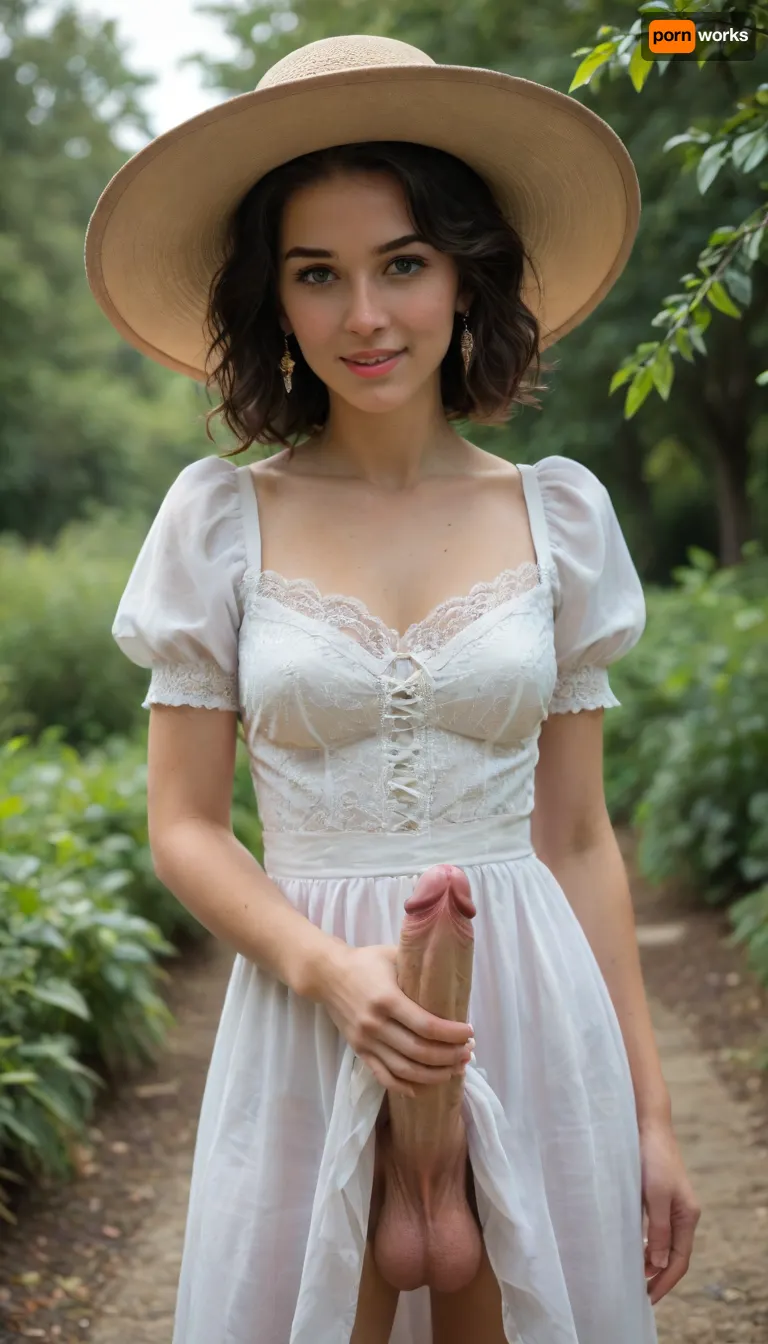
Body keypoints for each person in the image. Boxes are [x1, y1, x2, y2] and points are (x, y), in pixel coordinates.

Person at [86, 33, 701, 1344]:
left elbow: (579, 835)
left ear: (467, 276)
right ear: (279, 302)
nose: (365, 317)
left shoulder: (559, 520)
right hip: (311, 1016)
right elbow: (185, 825)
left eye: (403, 263)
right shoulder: (219, 524)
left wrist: (650, 1118)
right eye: (320, 274)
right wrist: (333, 973)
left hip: (529, 1013)